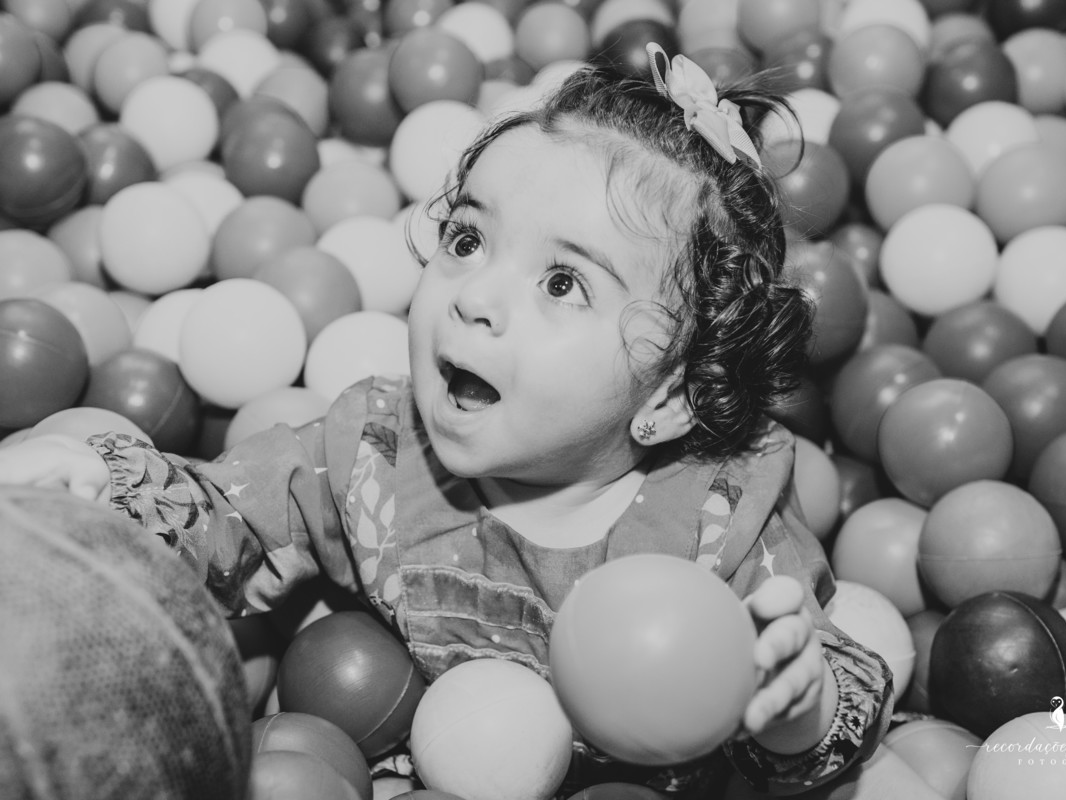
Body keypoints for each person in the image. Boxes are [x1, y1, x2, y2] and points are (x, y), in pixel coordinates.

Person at [0, 45, 892, 798]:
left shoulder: (720, 529)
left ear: (667, 398)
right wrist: (106, 506)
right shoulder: (375, 454)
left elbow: (836, 688)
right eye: (468, 240)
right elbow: (226, 518)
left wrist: (795, 711)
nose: (476, 300)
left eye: (561, 283)